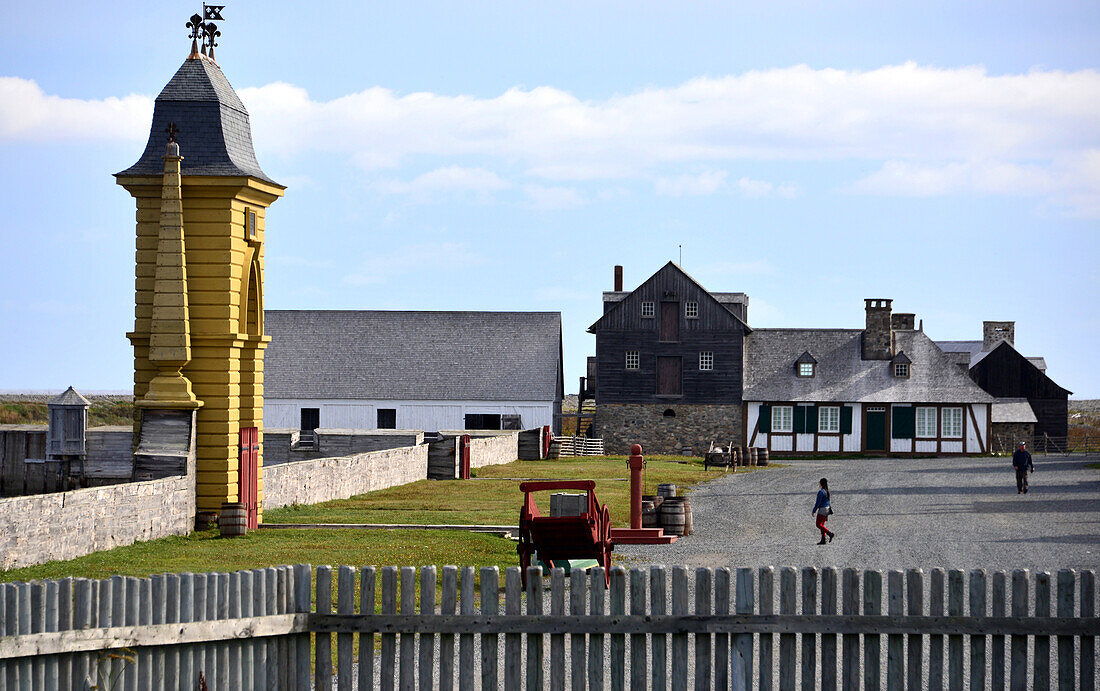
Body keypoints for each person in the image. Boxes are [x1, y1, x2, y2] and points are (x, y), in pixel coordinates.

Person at [811, 477, 835, 544]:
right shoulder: (827, 491)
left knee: (818, 524)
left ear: (821, 483)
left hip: (822, 509)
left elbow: (818, 503)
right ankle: (823, 539)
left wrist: (814, 510)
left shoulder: (821, 492)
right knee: (822, 524)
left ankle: (829, 533)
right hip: (827, 509)